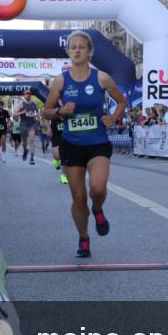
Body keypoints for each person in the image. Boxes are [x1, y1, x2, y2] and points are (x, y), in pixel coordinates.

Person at [43, 30, 127, 258]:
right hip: (72, 145)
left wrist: (113, 117)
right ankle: (84, 238)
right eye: (73, 47)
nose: (77, 50)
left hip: (98, 143)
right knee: (78, 197)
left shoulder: (101, 78)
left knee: (97, 188)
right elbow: (46, 112)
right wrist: (60, 111)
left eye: (82, 46)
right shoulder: (61, 80)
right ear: (69, 52)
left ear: (89, 52)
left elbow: (121, 100)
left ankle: (98, 209)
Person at [14, 89, 41, 165]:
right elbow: (14, 115)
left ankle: (32, 158)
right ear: (24, 95)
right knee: (24, 142)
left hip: (32, 124)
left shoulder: (34, 104)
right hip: (23, 125)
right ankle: (25, 150)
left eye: (29, 93)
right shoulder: (21, 104)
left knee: (31, 140)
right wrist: (21, 112)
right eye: (26, 94)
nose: (28, 95)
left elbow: (37, 113)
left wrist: (36, 116)